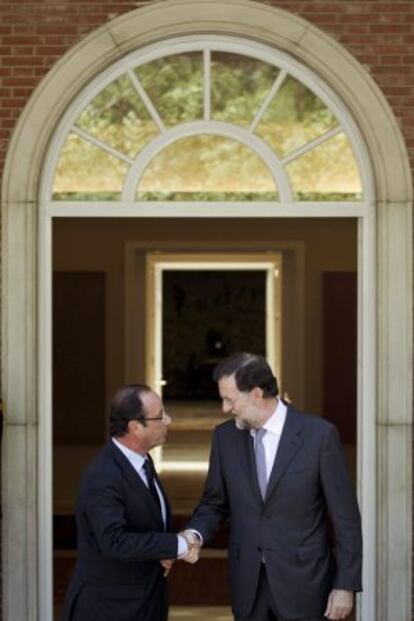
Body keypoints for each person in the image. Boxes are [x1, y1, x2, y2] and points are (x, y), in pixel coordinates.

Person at [183, 352, 362, 621]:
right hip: (248, 587)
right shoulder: (225, 437)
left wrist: (345, 585)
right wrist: (194, 534)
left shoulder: (319, 436)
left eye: (229, 400)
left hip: (305, 586)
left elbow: (345, 519)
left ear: (257, 394)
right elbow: (214, 503)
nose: (224, 409)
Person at [61, 384, 194, 621]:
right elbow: (114, 541)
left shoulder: (141, 461)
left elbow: (146, 523)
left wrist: (162, 551)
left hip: (144, 603)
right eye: (160, 416)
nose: (169, 420)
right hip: (108, 609)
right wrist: (177, 545)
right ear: (134, 427)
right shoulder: (103, 476)